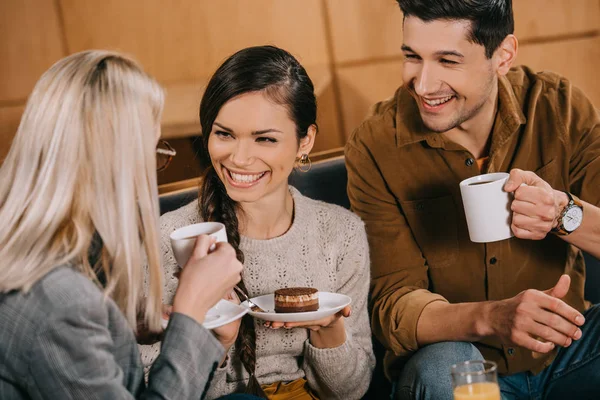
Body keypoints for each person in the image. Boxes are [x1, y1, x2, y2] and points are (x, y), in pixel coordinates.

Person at [344, 1, 600, 399]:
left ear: (503, 56)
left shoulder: (558, 108)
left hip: (569, 351)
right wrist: (494, 318)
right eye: (413, 57)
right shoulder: (375, 146)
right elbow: (392, 306)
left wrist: (563, 212)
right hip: (461, 367)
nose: (424, 84)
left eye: (448, 61)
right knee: (437, 371)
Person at [0, 50, 254, 399]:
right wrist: (191, 310)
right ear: (118, 162)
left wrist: (117, 323)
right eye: (147, 153)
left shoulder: (37, 255)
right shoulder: (60, 302)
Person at [139, 45, 375, 400]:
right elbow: (149, 389)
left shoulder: (340, 233)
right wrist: (217, 341)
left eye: (264, 138)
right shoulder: (167, 239)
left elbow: (350, 392)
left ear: (304, 141)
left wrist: (329, 326)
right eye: (225, 134)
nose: (240, 158)